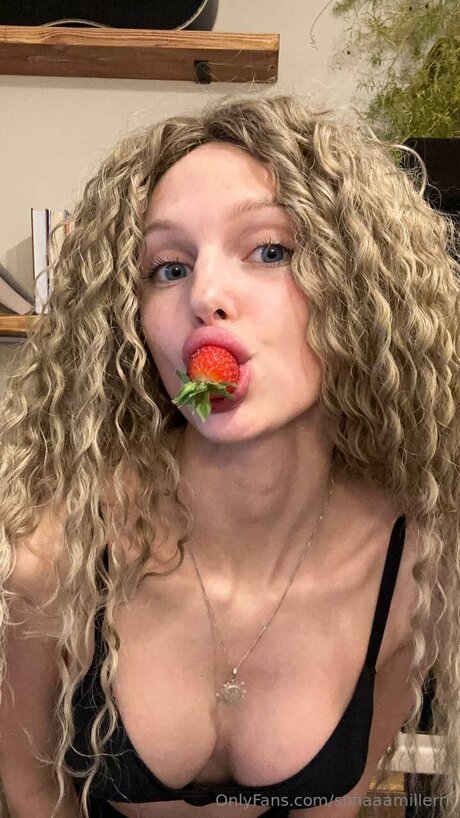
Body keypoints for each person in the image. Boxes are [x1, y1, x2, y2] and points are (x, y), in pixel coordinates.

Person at [0, 92, 458, 818]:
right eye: (168, 268)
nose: (206, 294)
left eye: (270, 251)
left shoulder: (412, 569)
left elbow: (339, 800)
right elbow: (31, 790)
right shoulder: (54, 554)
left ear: (360, 292)